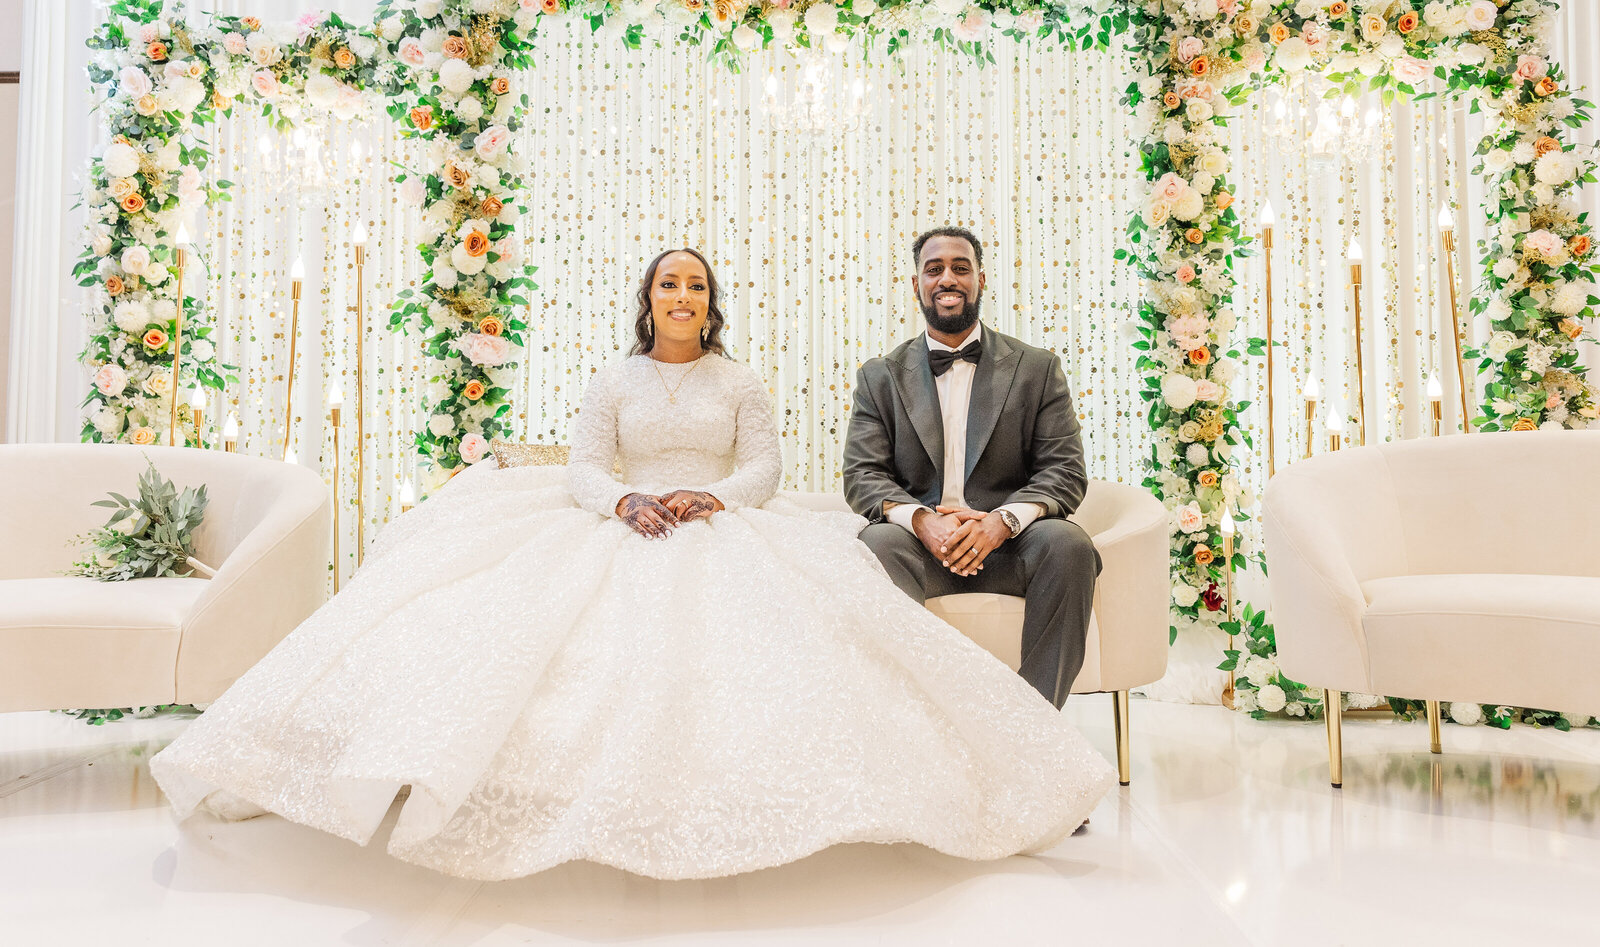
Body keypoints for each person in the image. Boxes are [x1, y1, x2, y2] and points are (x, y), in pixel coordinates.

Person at [149, 248, 1113, 882]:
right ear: (648, 300)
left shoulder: (739, 378)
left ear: (712, 302)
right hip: (623, 521)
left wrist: (714, 498)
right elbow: (580, 463)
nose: (682, 297)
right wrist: (624, 499)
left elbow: (766, 466)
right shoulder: (614, 378)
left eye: (696, 285)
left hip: (720, 522)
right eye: (669, 285)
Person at [844, 226, 1101, 708]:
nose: (948, 278)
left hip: (1012, 547)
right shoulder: (879, 377)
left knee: (1068, 544)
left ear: (981, 280)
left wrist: (1001, 523)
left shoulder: (1036, 368)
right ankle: (918, 723)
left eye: (961, 268)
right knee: (876, 542)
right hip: (922, 549)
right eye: (934, 269)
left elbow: (1063, 470)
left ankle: (1034, 723)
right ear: (917, 284)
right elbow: (863, 476)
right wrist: (924, 521)